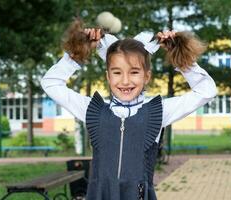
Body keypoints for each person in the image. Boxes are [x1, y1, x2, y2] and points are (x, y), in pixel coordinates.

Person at [41, 20, 217, 200]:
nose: (125, 81)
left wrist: (180, 58)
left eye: (134, 72)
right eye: (117, 72)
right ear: (108, 76)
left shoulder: (158, 112)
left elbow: (207, 91)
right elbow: (50, 83)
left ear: (146, 76)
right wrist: (76, 55)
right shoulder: (93, 110)